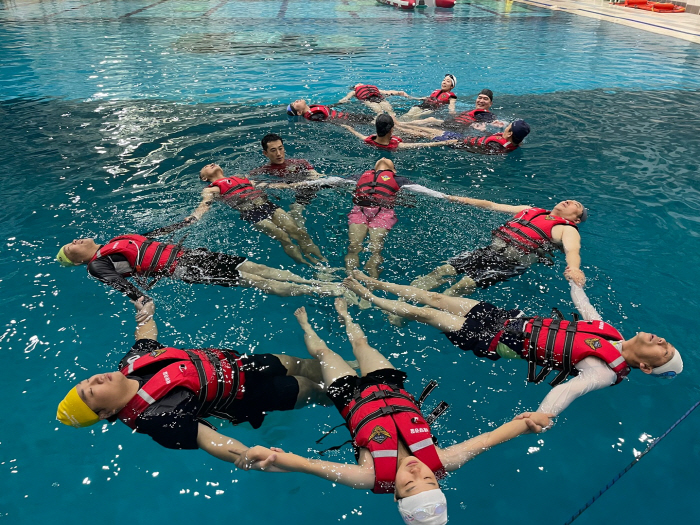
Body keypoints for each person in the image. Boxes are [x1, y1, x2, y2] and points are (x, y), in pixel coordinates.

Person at [231, 299, 551, 524]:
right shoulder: (446, 461)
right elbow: (491, 438)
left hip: (350, 396)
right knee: (363, 346)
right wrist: (527, 424)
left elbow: (310, 465)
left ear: (396, 495)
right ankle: (345, 315)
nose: (417, 472)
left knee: (322, 351)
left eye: (410, 486)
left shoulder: (368, 477)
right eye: (429, 480)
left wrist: (267, 455)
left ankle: (304, 323)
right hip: (391, 389)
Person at [343, 273, 684, 417]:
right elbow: (583, 306)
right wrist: (573, 279)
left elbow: (567, 392)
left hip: (493, 340)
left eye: (664, 350)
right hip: (507, 317)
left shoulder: (603, 372)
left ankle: (369, 296)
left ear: (647, 367)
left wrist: (543, 415)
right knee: (435, 297)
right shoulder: (608, 332)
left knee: (428, 315)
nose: (663, 340)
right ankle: (374, 281)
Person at [56, 300, 333, 457]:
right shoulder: (156, 418)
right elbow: (208, 440)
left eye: (86, 381)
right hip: (247, 397)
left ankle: (344, 369)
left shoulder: (130, 364)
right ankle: (344, 394)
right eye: (90, 393)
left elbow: (146, 338)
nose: (94, 381)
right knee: (309, 388)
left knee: (297, 363)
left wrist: (145, 315)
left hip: (240, 365)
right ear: (106, 412)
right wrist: (246, 455)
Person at [56, 234, 343, 310]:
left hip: (189, 255)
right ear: (79, 261)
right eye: (70, 249)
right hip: (184, 267)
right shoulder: (96, 265)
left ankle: (313, 281)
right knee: (254, 281)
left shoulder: (115, 242)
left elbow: (150, 239)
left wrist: (186, 221)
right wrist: (140, 300)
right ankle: (320, 289)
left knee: (254, 267)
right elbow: (118, 282)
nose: (74, 242)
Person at [152, 163, 326, 266]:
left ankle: (320, 260)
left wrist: (296, 185)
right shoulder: (212, 189)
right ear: (204, 178)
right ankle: (308, 264)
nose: (210, 164)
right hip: (250, 212)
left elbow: (268, 185)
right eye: (205, 167)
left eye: (212, 163)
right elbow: (204, 205)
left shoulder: (242, 178)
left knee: (297, 231)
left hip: (267, 205)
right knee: (283, 237)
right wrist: (195, 217)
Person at [410, 197, 588, 297]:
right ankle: (406, 297)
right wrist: (461, 200)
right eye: (569, 199)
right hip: (489, 252)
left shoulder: (566, 229)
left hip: (510, 264)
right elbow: (492, 205)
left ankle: (420, 311)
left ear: (577, 219)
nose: (569, 201)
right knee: (443, 270)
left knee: (465, 283)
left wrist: (574, 268)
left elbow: (573, 250)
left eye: (576, 205)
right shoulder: (529, 209)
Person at [343, 158, 451, 278]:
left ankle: (371, 283)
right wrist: (318, 183)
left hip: (383, 213)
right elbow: (336, 181)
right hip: (360, 210)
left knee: (376, 248)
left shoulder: (398, 179)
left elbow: (423, 190)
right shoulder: (359, 177)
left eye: (387, 159)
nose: (383, 158)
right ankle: (350, 280)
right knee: (353, 246)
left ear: (393, 170)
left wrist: (445, 197)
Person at [248, 133, 326, 226]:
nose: (278, 154)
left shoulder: (300, 163)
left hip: (307, 188)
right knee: (296, 211)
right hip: (289, 191)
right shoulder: (262, 171)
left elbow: (316, 176)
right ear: (265, 153)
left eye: (280, 148)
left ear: (284, 148)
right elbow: (248, 182)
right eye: (273, 150)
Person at [339, 114, 459, 151]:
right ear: (391, 130)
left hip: (387, 140)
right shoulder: (398, 146)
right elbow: (424, 144)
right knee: (418, 133)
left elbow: (358, 135)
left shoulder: (369, 140)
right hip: (405, 140)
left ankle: (402, 125)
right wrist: (446, 142)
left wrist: (349, 128)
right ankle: (402, 125)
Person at [406, 89, 507, 131]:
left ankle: (402, 124)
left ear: (490, 104)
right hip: (451, 125)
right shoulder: (470, 111)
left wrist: (496, 123)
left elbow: (492, 120)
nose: (481, 100)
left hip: (456, 128)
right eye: (479, 98)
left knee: (431, 120)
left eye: (485, 99)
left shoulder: (485, 114)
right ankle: (404, 126)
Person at [336, 83, 417, 117]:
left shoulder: (355, 91)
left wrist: (400, 93)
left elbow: (387, 92)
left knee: (387, 111)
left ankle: (393, 122)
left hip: (372, 99)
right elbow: (347, 97)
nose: (360, 83)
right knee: (382, 111)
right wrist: (344, 100)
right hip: (372, 99)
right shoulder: (354, 91)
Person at [287, 99, 375, 124]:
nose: (295, 101)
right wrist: (344, 124)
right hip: (346, 119)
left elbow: (327, 108)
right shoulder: (313, 116)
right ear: (299, 112)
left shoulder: (312, 108)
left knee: (371, 118)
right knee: (371, 121)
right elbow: (328, 120)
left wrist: (340, 103)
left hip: (347, 115)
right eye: (294, 104)